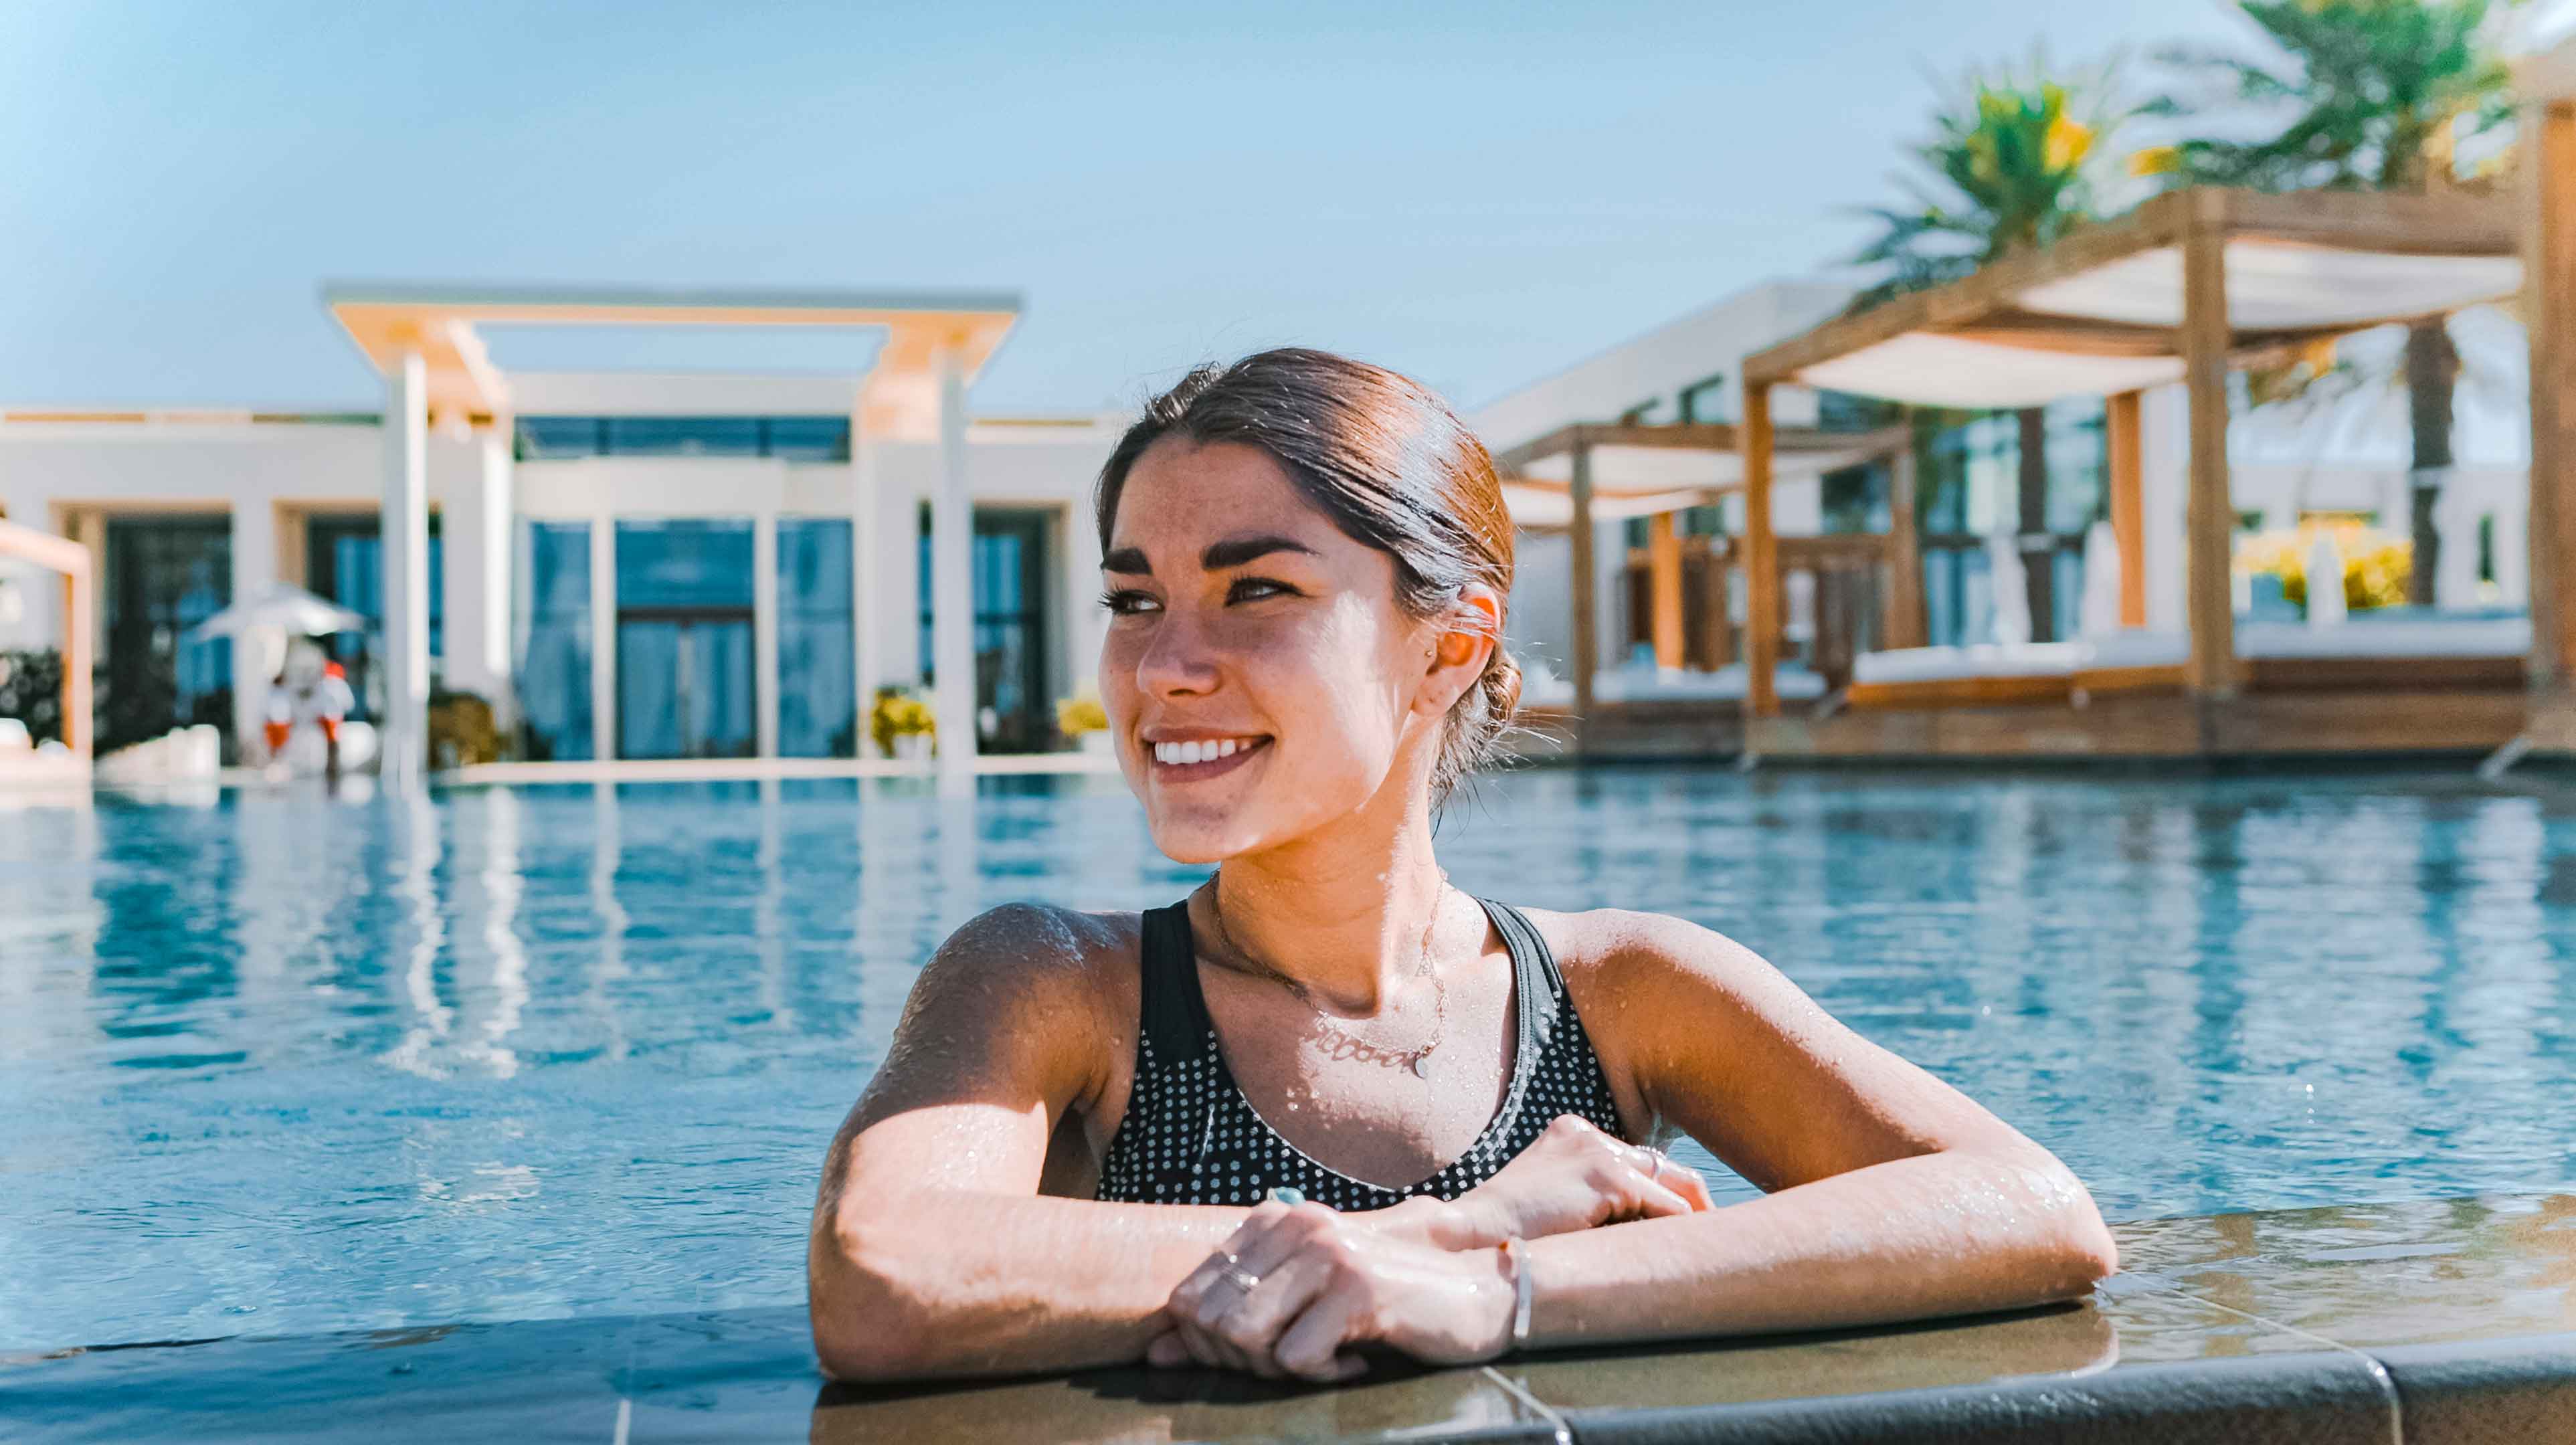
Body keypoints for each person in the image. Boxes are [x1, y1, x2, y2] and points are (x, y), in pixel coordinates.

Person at [808, 349, 2117, 1385]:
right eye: (1133, 599)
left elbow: (2031, 1211)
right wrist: (1435, 1231)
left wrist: (1502, 1293)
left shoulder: (1622, 993)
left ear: (1445, 649)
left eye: (1254, 590)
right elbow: (884, 1270)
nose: (1160, 669)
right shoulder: (1058, 983)